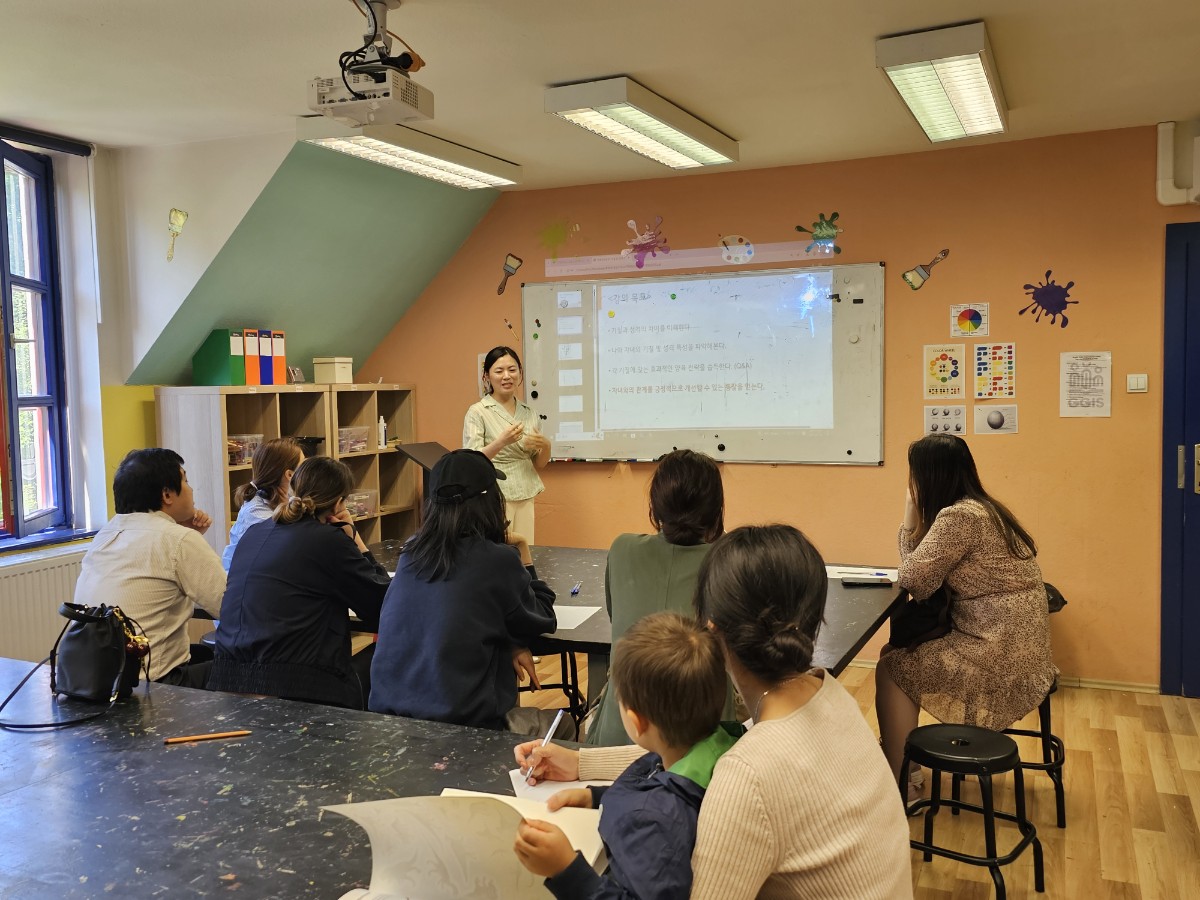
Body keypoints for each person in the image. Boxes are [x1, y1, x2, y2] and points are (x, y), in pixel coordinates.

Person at [516, 525, 913, 899]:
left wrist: (569, 873)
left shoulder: (749, 774)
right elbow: (698, 750)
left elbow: (733, 768)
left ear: (711, 628)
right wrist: (581, 763)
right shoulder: (822, 692)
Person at [876, 433, 1056, 798]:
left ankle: (901, 781)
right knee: (895, 657)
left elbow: (914, 579)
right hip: (1023, 649)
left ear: (927, 477)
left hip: (996, 652)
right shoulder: (986, 508)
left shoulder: (958, 516)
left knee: (891, 668)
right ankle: (904, 765)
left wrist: (908, 522)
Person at [514, 612, 738, 900]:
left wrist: (566, 870)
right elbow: (656, 783)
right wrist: (596, 797)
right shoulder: (716, 748)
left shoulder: (651, 824)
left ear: (636, 721)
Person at [369, 448, 556, 729]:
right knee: (560, 728)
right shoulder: (496, 559)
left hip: (389, 719)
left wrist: (509, 640)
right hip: (461, 725)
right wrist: (523, 551)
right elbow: (540, 615)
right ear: (490, 500)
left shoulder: (411, 553)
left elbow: (454, 618)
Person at [207, 456, 391, 709]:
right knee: (385, 657)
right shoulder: (329, 540)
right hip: (296, 684)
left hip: (228, 676)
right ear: (339, 504)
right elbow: (382, 604)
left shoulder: (255, 532)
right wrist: (356, 541)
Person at [587, 448, 734, 746]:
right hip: (703, 740)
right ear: (716, 508)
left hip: (620, 731)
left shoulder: (622, 549)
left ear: (656, 505)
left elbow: (619, 617)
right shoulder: (727, 562)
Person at [73, 448, 225, 687]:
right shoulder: (178, 539)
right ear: (167, 494)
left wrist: (184, 531)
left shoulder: (106, 534)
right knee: (244, 666)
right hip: (151, 686)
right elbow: (230, 607)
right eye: (185, 480)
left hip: (97, 681)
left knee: (203, 654)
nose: (191, 489)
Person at [463, 346, 550, 543]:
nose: (506, 376)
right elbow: (471, 460)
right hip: (493, 493)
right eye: (499, 371)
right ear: (487, 376)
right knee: (499, 550)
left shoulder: (529, 412)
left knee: (525, 548)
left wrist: (546, 446)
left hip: (526, 489)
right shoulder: (478, 411)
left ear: (520, 373)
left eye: (512, 370)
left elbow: (539, 464)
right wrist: (501, 442)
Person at [220, 437, 303, 571]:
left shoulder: (286, 496)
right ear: (289, 474)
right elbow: (288, 545)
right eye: (303, 466)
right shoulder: (255, 512)